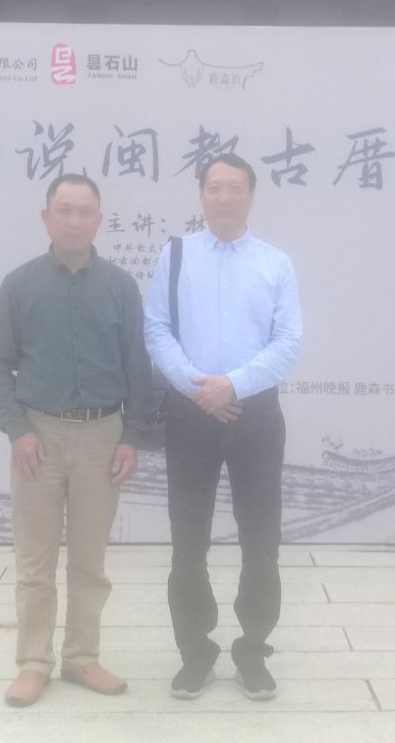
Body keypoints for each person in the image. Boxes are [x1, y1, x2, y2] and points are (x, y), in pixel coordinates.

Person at [0, 173, 152, 707]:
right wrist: (17, 430)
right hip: (38, 438)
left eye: (85, 211)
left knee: (88, 561)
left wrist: (132, 437)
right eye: (65, 210)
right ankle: (33, 663)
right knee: (34, 561)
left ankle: (82, 657)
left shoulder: (121, 287)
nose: (75, 220)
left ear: (99, 220)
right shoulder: (19, 285)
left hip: (103, 438)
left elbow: (138, 369)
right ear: (46, 217)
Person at [144, 152, 302, 701]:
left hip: (255, 416)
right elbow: (156, 328)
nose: (225, 197)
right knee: (188, 540)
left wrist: (232, 385)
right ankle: (197, 654)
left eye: (236, 188)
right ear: (201, 195)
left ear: (251, 196)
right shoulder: (176, 255)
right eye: (215, 187)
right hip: (191, 415)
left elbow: (288, 342)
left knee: (261, 541)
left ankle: (253, 651)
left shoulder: (275, 263)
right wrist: (199, 389)